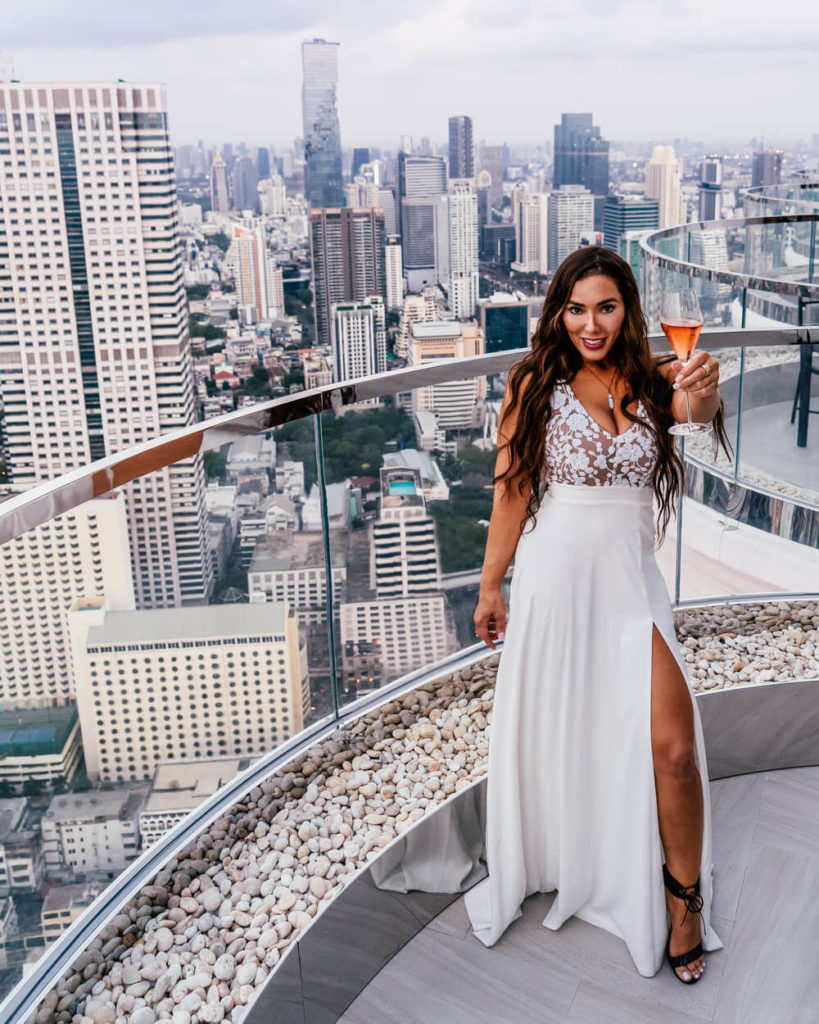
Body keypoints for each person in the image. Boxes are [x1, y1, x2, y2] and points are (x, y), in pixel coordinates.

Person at [464, 247, 732, 983]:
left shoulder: (650, 379)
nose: (590, 323)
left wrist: (705, 390)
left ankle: (683, 903)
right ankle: (581, 854)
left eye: (605, 307)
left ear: (626, 310)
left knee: (673, 750)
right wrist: (490, 588)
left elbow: (695, 413)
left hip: (629, 583)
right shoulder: (533, 384)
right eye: (576, 308)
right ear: (558, 311)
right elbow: (511, 493)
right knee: (571, 727)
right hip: (554, 581)